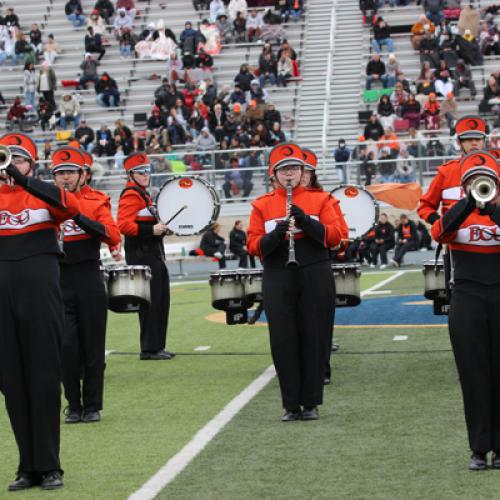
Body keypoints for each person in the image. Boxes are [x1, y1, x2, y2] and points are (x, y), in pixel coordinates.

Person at [0, 133, 81, 491]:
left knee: (45, 376)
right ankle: (27, 467)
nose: (11, 165)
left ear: (31, 165)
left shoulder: (43, 192)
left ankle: (50, 466)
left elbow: (71, 208)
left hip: (40, 288)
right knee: (12, 382)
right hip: (3, 293)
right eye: (8, 159)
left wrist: (24, 181)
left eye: (19, 160)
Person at [247, 143, 346, 421]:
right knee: (283, 339)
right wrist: (276, 235)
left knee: (314, 336)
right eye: (283, 169)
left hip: (315, 271)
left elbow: (336, 236)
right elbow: (253, 245)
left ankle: (312, 402)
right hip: (278, 274)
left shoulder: (322, 200)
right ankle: (290, 404)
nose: (290, 174)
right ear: (274, 175)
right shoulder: (262, 205)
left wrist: (306, 222)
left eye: (294, 168)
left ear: (303, 171)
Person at [430, 150, 500, 470]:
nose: (480, 185)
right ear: (464, 184)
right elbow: (439, 233)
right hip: (467, 295)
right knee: (473, 375)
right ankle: (478, 448)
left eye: (486, 181)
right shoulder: (458, 210)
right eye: (473, 180)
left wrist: (493, 209)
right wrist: (468, 203)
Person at [50, 147, 120, 424]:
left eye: (70, 172)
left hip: (89, 276)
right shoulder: (44, 201)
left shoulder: (97, 200)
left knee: (93, 344)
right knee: (66, 346)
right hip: (59, 278)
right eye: (59, 174)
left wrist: (76, 213)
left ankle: (92, 405)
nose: (65, 178)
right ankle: (73, 404)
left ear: (82, 175)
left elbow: (111, 234)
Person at [117, 153, 174, 360]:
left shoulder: (144, 194)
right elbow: (122, 225)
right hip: (142, 255)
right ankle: (149, 349)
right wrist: (152, 230)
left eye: (147, 171)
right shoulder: (131, 194)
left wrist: (163, 229)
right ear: (130, 174)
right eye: (140, 172)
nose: (145, 175)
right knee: (151, 302)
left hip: (152, 253)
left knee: (161, 300)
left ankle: (158, 345)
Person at [418, 115, 488, 225]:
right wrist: (441, 224)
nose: (474, 143)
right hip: (455, 240)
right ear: (459, 142)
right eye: (468, 139)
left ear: (484, 141)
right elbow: (425, 206)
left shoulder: (496, 170)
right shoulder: (446, 172)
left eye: (478, 139)